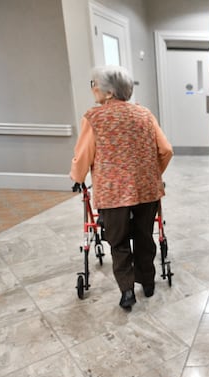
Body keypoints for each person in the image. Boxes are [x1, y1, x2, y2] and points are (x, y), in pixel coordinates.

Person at [70, 65, 173, 310]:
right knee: (145, 236)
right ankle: (147, 283)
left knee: (118, 241)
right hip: (146, 189)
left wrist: (77, 176)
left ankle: (127, 291)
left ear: (108, 91)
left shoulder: (94, 117)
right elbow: (166, 150)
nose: (93, 88)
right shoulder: (145, 115)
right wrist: (153, 172)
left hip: (112, 192)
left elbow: (84, 155)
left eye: (95, 84)